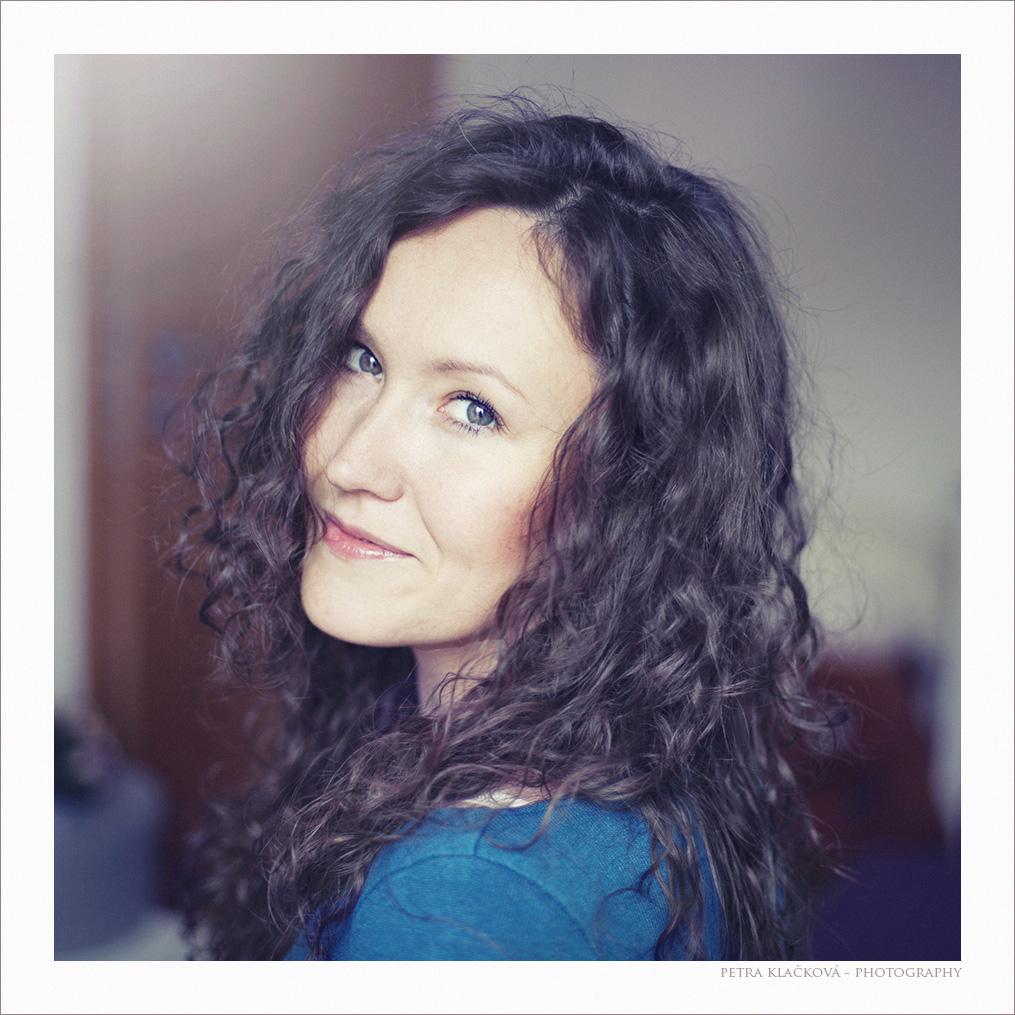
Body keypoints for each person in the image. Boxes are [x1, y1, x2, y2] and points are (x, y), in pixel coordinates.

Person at [178, 98, 835, 961]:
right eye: (362, 358)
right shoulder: (635, 769)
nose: (348, 459)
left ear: (626, 494)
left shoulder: (459, 901)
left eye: (472, 409)